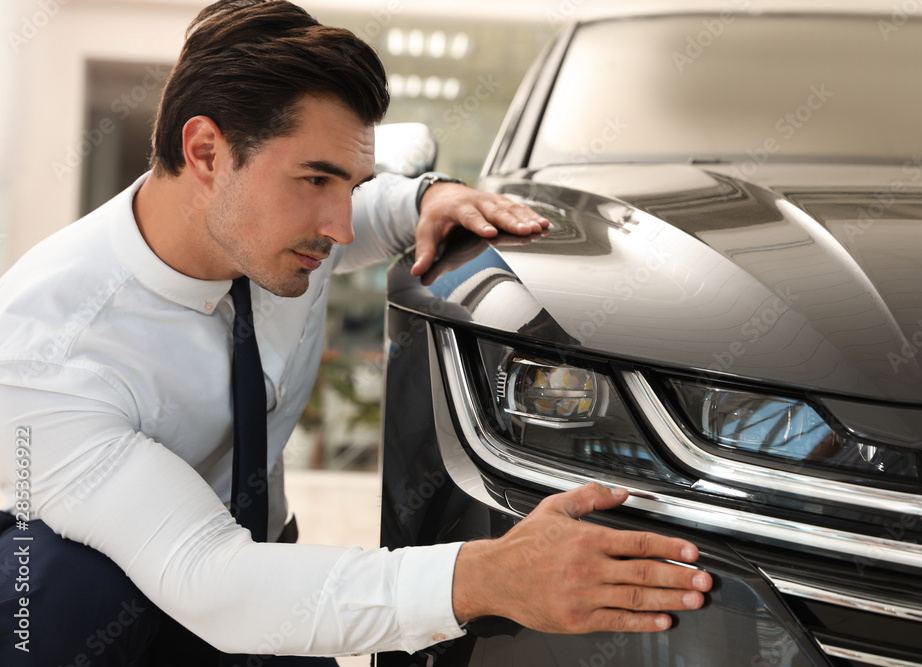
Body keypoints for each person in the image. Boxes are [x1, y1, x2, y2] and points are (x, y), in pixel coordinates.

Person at [0, 1, 713, 665]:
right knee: (61, 585)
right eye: (315, 180)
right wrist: (488, 576)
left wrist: (431, 195)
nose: (340, 229)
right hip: (115, 602)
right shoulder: (43, 349)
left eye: (351, 183)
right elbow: (208, 575)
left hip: (261, 557)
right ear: (208, 153)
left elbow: (378, 208)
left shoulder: (274, 225)